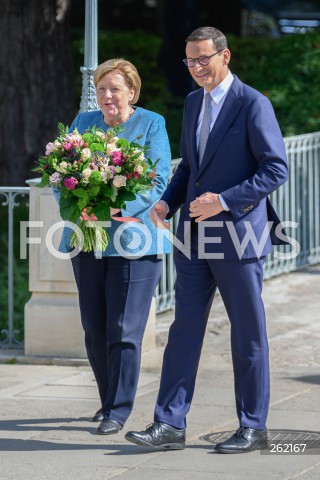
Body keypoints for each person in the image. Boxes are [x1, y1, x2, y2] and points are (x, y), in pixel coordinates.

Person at [125, 27, 288, 453]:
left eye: (203, 59)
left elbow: (275, 169)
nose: (196, 68)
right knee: (184, 331)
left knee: (247, 334)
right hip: (193, 238)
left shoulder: (253, 103)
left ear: (225, 56)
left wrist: (225, 201)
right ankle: (169, 424)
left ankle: (253, 426)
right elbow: (188, 169)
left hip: (239, 237)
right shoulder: (194, 102)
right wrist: (165, 203)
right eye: (190, 61)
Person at [54, 59, 171, 435]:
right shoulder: (83, 124)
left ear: (132, 92)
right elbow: (59, 175)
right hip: (87, 239)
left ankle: (118, 411)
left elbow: (159, 180)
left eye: (115, 89)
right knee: (94, 327)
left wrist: (117, 206)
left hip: (135, 242)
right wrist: (80, 204)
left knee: (123, 328)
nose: (107, 96)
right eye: (102, 88)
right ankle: (108, 402)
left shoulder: (151, 123)